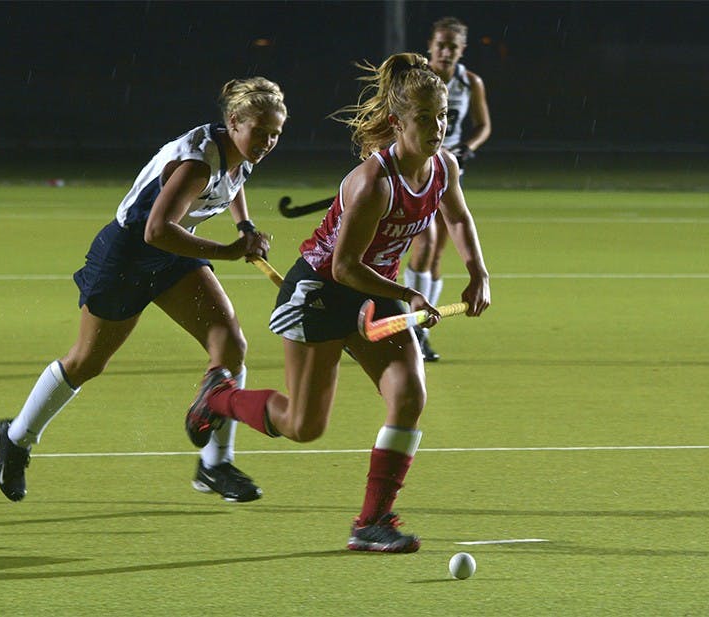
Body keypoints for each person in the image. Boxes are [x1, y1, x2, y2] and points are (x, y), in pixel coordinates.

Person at [184, 52, 490, 553]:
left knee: (409, 395)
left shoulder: (443, 166)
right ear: (397, 121)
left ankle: (372, 523)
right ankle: (217, 397)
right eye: (425, 119)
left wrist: (477, 270)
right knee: (304, 426)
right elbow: (345, 266)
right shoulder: (373, 181)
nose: (438, 128)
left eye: (443, 118)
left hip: (377, 292)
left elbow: (457, 217)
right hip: (322, 295)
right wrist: (408, 293)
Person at [0, 77, 287, 504]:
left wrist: (245, 226)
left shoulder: (243, 150)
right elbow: (154, 230)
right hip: (129, 255)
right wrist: (227, 251)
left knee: (230, 345)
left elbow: (236, 181)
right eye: (260, 131)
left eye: (276, 133)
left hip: (174, 251)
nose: (267, 141)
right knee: (86, 362)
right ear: (234, 121)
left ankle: (214, 464)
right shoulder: (198, 163)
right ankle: (16, 437)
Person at [403, 16, 492, 362]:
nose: (445, 51)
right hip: (417, 170)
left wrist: (467, 148)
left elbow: (483, 125)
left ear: (462, 50)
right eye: (440, 44)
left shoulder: (470, 83)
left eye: (452, 46)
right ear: (430, 44)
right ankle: (411, 325)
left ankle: (420, 330)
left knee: (436, 251)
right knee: (423, 244)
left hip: (447, 172)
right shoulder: (416, 80)